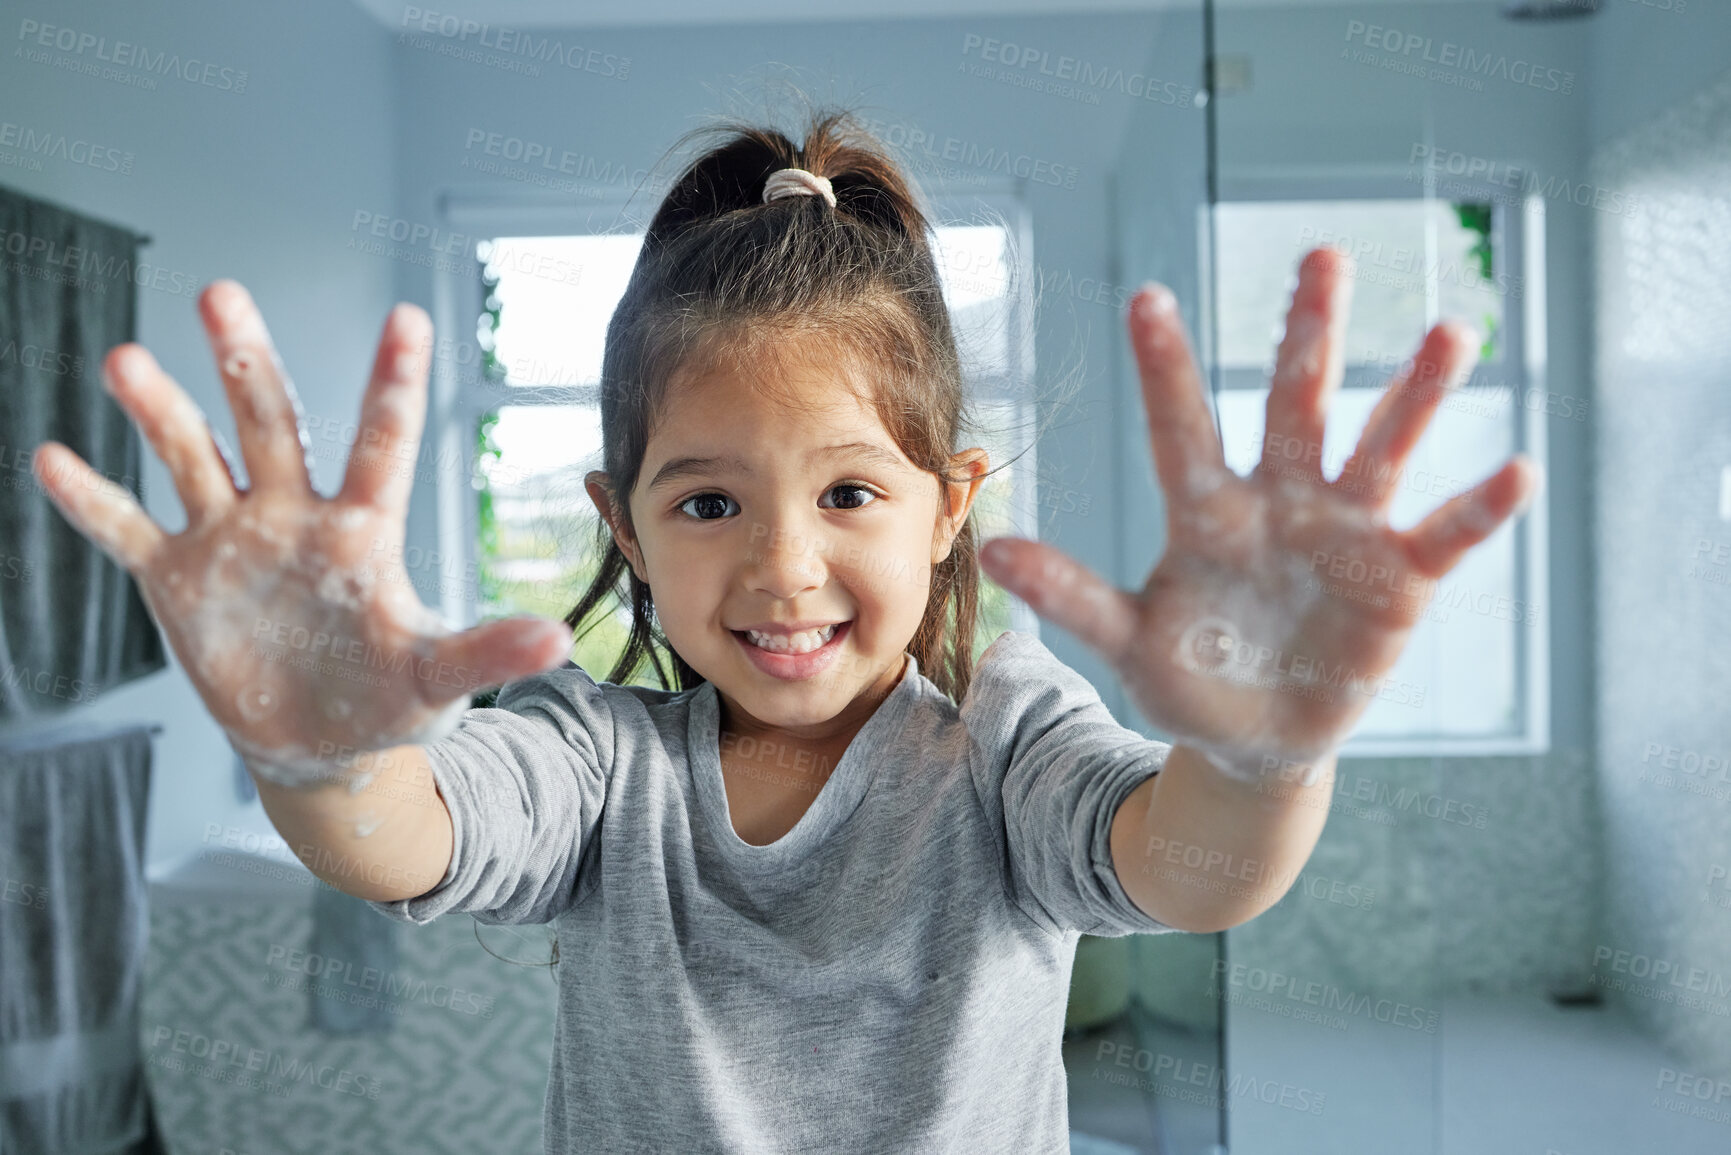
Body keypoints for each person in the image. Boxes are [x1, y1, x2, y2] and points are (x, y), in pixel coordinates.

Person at [33, 109, 1539, 1152]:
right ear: (621, 526)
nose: (783, 566)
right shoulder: (596, 755)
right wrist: (317, 764)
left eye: (847, 493)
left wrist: (1259, 756)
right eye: (705, 506)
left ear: (948, 506)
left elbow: (1190, 873)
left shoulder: (1006, 732)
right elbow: (411, 835)